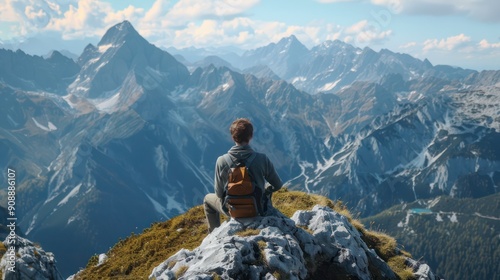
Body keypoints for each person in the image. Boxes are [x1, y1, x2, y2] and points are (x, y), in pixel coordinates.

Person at [203, 118, 283, 233]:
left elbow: (219, 194)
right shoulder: (262, 159)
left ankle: (214, 234)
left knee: (207, 199)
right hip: (257, 209)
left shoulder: (221, 161)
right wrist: (265, 189)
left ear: (232, 137)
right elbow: (278, 185)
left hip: (232, 210)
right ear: (250, 136)